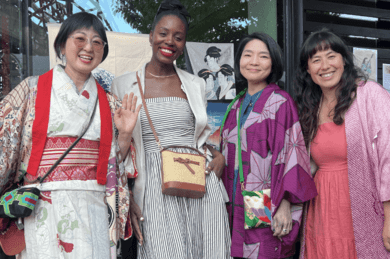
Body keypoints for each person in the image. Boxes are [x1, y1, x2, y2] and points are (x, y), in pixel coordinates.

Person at [0, 12, 140, 258]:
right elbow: (0, 141)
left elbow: (113, 167)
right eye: (80, 38)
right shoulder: (30, 89)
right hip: (42, 206)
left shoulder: (110, 103)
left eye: (97, 42)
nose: (88, 48)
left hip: (93, 207)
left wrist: (124, 135)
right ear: (62, 44)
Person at [111, 0, 232, 258]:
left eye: (178, 37)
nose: (170, 42)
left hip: (199, 179)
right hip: (153, 184)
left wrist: (217, 154)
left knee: (208, 248)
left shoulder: (195, 83)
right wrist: (128, 196)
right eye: (163, 33)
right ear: (151, 36)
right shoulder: (123, 85)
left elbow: (199, 133)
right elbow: (117, 149)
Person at [220, 32, 317, 259]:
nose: (254, 62)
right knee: (236, 250)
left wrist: (285, 202)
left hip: (262, 196)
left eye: (263, 56)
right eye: (248, 55)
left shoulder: (280, 102)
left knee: (262, 248)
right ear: (239, 61)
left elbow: (293, 155)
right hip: (233, 197)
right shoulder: (236, 103)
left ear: (273, 62)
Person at [295, 28, 390, 259]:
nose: (325, 65)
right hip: (321, 211)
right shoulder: (310, 109)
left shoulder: (370, 95)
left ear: (344, 61)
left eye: (331, 56)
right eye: (316, 60)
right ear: (308, 69)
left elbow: (388, 157)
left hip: (363, 207)